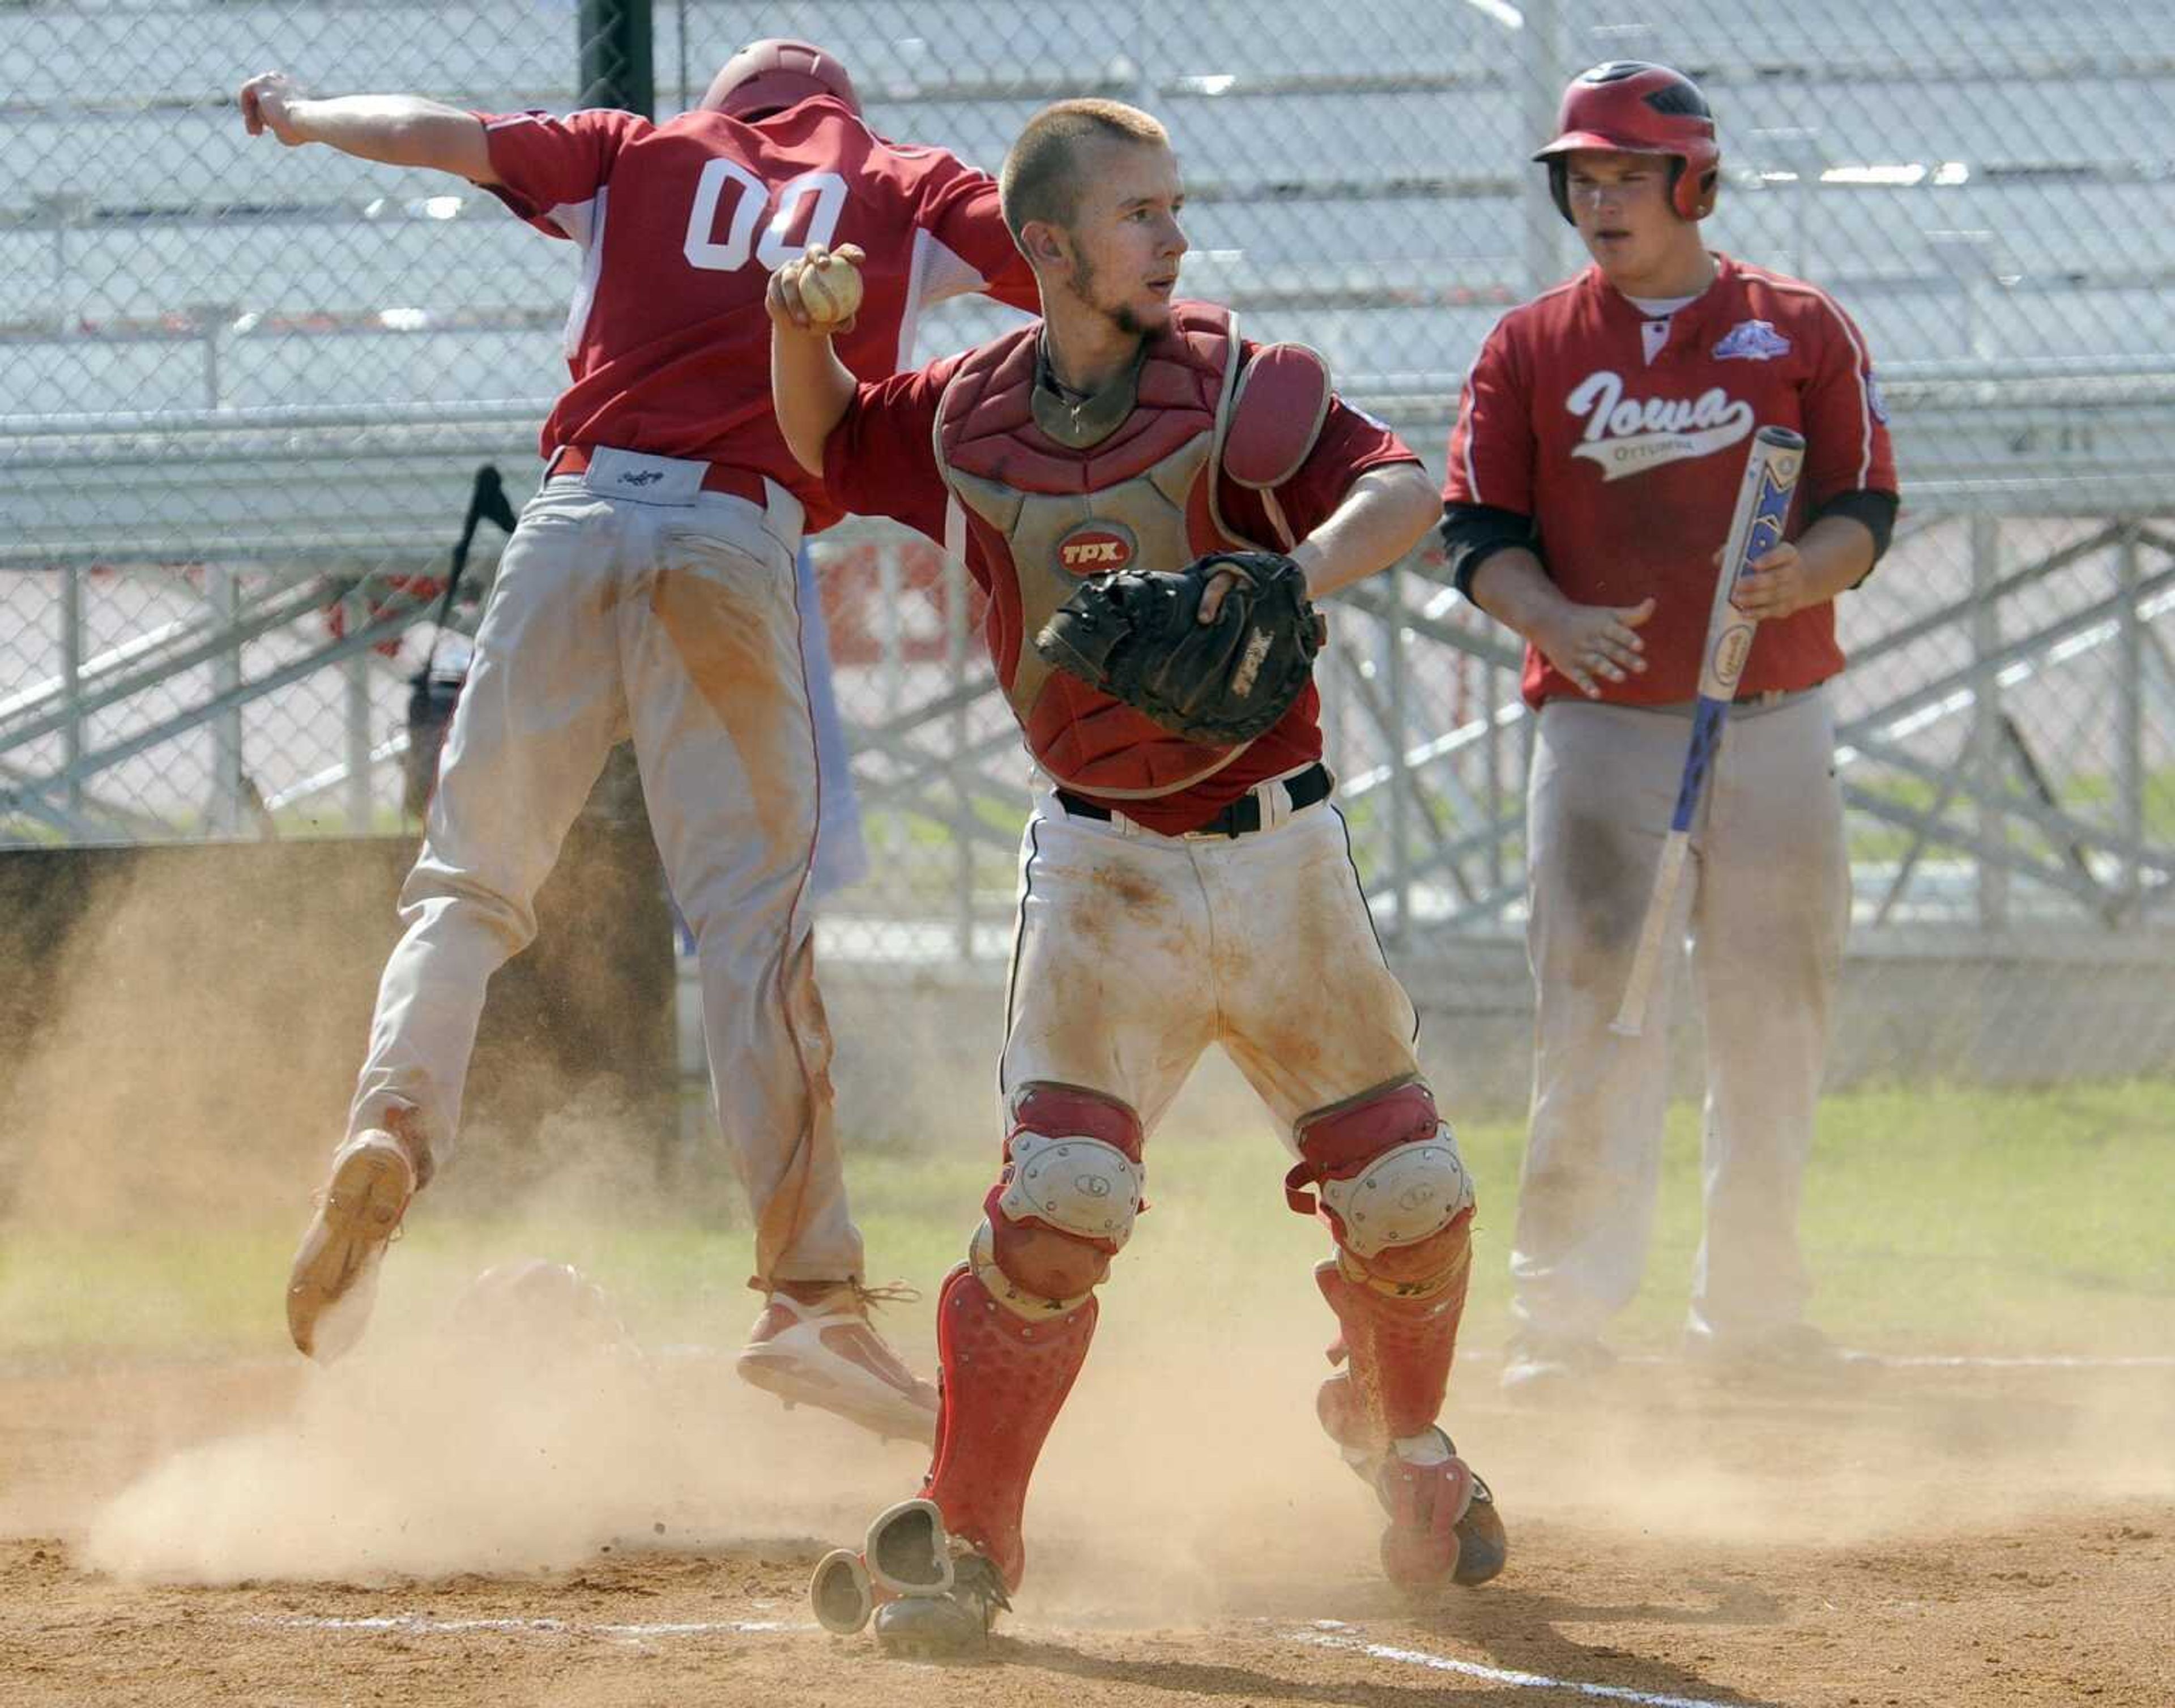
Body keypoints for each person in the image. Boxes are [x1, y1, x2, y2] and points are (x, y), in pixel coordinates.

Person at [769, 97, 1507, 1655]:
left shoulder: (1237, 389)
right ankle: (963, 1546)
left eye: (1175, 209)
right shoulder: (974, 419)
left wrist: (1291, 571)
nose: (1173, 238)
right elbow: (827, 442)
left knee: (1411, 1195)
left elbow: (1402, 489)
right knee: (1063, 1202)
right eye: (1139, 214)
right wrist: (794, 323)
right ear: (1048, 246)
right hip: (1106, 873)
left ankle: (1406, 1444)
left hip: (1282, 853)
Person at [240, 39, 1040, 1444]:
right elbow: (1067, 258)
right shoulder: (903, 182)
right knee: (751, 932)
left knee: (467, 884)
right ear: (838, 114)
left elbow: (442, 129)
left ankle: (392, 1124)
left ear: (726, 107)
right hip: (732, 536)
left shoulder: (640, 149)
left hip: (571, 519)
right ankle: (810, 1299)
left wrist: (302, 117)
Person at [1440, 62, 1899, 1394]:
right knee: (1598, 1013)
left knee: (1774, 1013)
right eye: (1581, 178)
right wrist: (1554, 618)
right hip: (1603, 726)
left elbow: (1862, 502)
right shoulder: (1531, 344)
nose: (1599, 199)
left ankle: (1753, 1317)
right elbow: (1481, 533)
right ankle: (1565, 1324)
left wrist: (1804, 573)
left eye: (1627, 175)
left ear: (1693, 182)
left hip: (1775, 715)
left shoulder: (1796, 326)